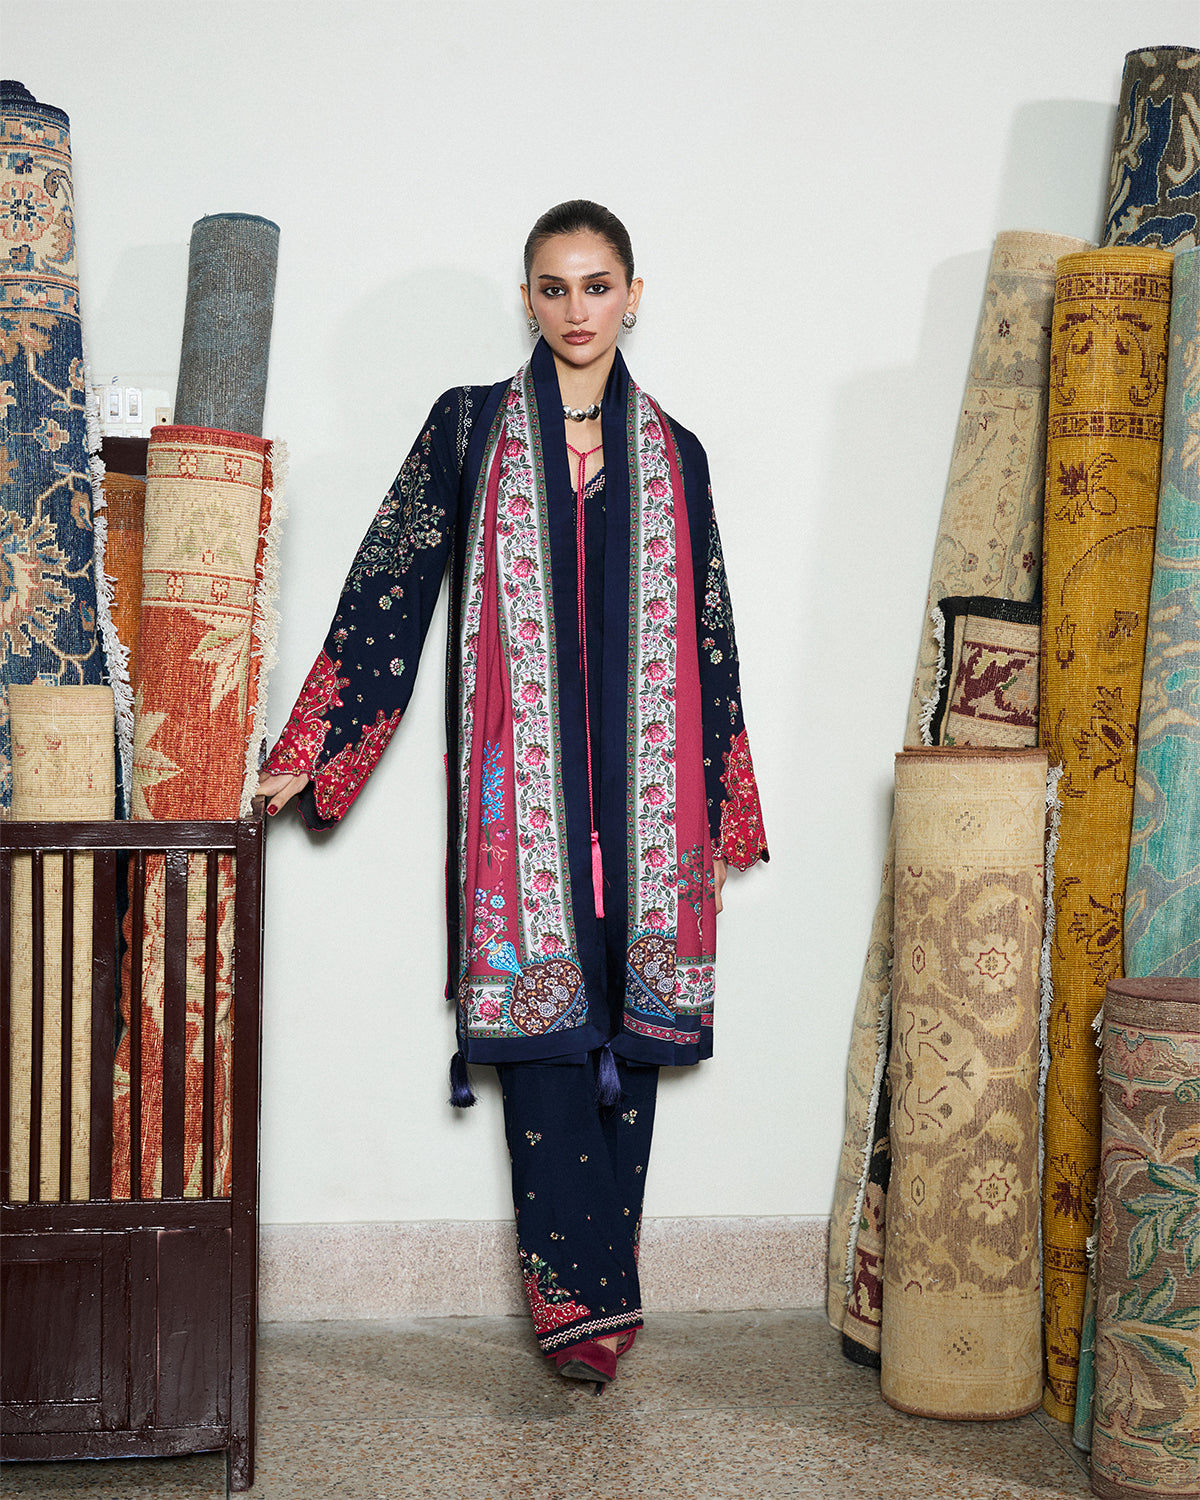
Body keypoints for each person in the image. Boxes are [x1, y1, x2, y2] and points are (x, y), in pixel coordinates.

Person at [259, 200, 768, 1385]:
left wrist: (725, 794)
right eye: (554, 287)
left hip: (648, 808)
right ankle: (579, 1306)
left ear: (633, 293)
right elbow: (389, 585)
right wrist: (318, 740)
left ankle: (603, 1288)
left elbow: (709, 630)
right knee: (543, 1035)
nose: (577, 310)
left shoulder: (676, 451)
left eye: (597, 286)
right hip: (521, 798)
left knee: (636, 1029)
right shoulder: (471, 426)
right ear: (528, 297)